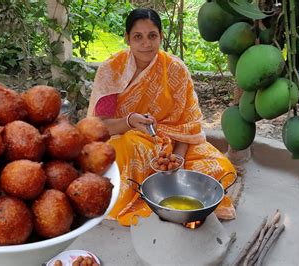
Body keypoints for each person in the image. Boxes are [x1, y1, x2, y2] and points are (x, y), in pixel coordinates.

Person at [87, 8, 237, 226]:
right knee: (118, 154)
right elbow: (99, 127)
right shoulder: (112, 70)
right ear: (127, 38)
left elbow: (187, 125)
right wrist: (129, 121)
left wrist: (178, 158)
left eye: (152, 36)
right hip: (129, 141)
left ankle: (159, 186)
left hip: (175, 142)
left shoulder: (175, 69)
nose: (146, 44)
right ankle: (145, 191)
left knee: (220, 168)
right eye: (138, 36)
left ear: (161, 37)